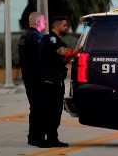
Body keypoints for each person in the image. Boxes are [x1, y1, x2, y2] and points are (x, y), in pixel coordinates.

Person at [39, 16, 81, 148]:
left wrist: (73, 53)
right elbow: (62, 51)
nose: (66, 28)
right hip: (49, 81)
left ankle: (52, 138)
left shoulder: (58, 41)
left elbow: (65, 57)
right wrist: (74, 51)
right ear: (57, 26)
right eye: (64, 25)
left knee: (56, 110)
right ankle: (43, 138)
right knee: (49, 109)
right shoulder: (50, 38)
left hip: (57, 80)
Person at [19, 12, 46, 147]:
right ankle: (38, 137)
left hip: (28, 77)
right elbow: (42, 57)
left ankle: (33, 136)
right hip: (36, 77)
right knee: (39, 107)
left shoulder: (24, 36)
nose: (45, 23)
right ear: (37, 22)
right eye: (43, 21)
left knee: (35, 107)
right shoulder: (36, 37)